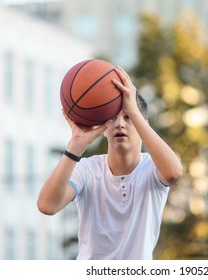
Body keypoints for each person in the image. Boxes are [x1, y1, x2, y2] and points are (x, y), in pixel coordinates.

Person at [37, 66, 183, 259]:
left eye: (128, 117)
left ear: (141, 124)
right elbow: (47, 206)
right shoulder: (87, 170)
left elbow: (174, 173)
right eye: (113, 118)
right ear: (104, 128)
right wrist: (75, 145)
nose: (120, 124)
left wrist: (135, 110)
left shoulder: (152, 169)